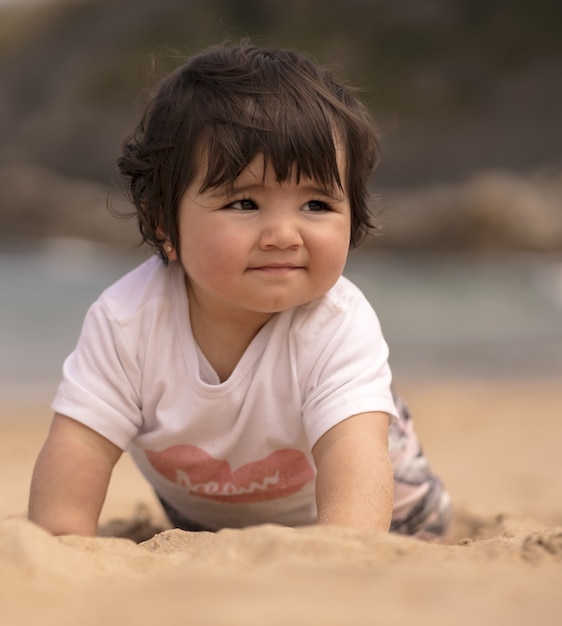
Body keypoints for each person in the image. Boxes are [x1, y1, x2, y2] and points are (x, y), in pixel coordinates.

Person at [28, 43, 451, 540]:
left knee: (372, 448)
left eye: (316, 205)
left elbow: (353, 468)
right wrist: (60, 541)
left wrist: (345, 554)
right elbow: (80, 449)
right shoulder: (127, 322)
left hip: (397, 514)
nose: (284, 234)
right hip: (207, 525)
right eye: (245, 203)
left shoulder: (336, 323)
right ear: (164, 223)